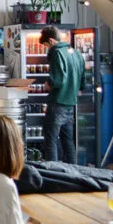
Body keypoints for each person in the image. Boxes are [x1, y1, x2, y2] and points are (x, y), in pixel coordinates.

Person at [40, 26, 86, 163]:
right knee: (68, 141)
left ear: (51, 40)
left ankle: (53, 174)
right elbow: (82, 82)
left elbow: (58, 80)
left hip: (57, 103)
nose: (48, 48)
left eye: (47, 46)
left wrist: (49, 84)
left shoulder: (56, 53)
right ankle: (73, 172)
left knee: (51, 140)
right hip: (71, 104)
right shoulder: (76, 53)